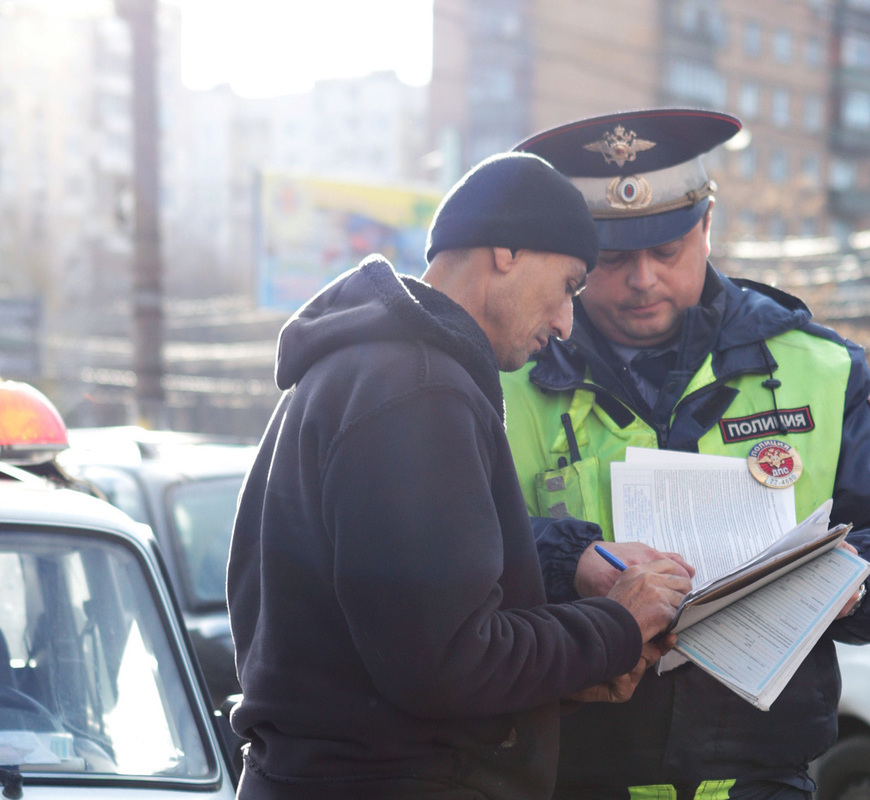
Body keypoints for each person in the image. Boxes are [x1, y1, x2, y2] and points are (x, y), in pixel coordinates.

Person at [500, 109, 870, 800]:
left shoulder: (820, 367)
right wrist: (576, 565)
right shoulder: (509, 375)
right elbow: (463, 559)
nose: (644, 280)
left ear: (708, 223)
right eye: (614, 258)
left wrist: (848, 583)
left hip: (761, 774)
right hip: (571, 773)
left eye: (669, 249)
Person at [226, 152, 694, 800]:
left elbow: (393, 653)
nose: (565, 325)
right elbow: (447, 664)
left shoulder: (369, 370)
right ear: (506, 248)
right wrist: (616, 625)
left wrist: (573, 672)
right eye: (568, 285)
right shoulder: (417, 389)